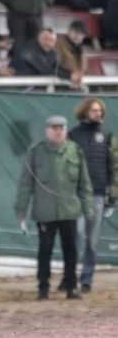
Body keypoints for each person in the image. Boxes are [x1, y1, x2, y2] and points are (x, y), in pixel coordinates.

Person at [15, 115, 94, 300]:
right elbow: (25, 185)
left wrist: (88, 207)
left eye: (62, 128)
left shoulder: (75, 151)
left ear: (66, 130)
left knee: (71, 251)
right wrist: (21, 213)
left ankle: (71, 287)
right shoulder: (36, 152)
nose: (58, 131)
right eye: (54, 128)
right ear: (47, 130)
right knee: (45, 251)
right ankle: (43, 288)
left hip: (69, 211)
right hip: (45, 212)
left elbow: (84, 184)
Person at [69, 98, 118, 293]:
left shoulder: (106, 136)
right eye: (94, 110)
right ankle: (70, 277)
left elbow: (114, 167)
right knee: (77, 235)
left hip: (98, 195)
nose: (98, 113)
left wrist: (112, 196)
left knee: (92, 240)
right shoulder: (73, 135)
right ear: (85, 112)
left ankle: (86, 279)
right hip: (77, 196)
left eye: (100, 110)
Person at [55, 20, 87, 89]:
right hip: (59, 86)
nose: (77, 35)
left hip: (76, 87)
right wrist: (69, 75)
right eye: (75, 32)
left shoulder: (82, 50)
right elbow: (52, 68)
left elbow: (84, 70)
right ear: (69, 31)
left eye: (81, 33)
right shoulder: (58, 45)